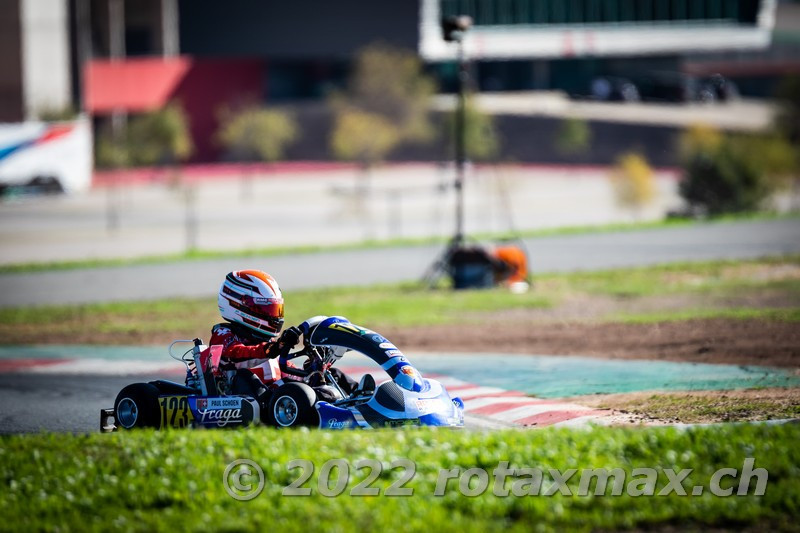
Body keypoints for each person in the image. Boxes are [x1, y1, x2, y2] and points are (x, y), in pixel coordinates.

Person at [211, 269, 358, 408]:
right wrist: (273, 349)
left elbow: (282, 367)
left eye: (275, 309)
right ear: (239, 305)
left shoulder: (265, 343)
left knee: (329, 374)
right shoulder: (224, 334)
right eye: (266, 309)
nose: (273, 316)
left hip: (277, 394)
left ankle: (362, 396)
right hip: (251, 398)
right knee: (247, 376)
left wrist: (313, 371)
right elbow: (237, 354)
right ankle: (321, 402)